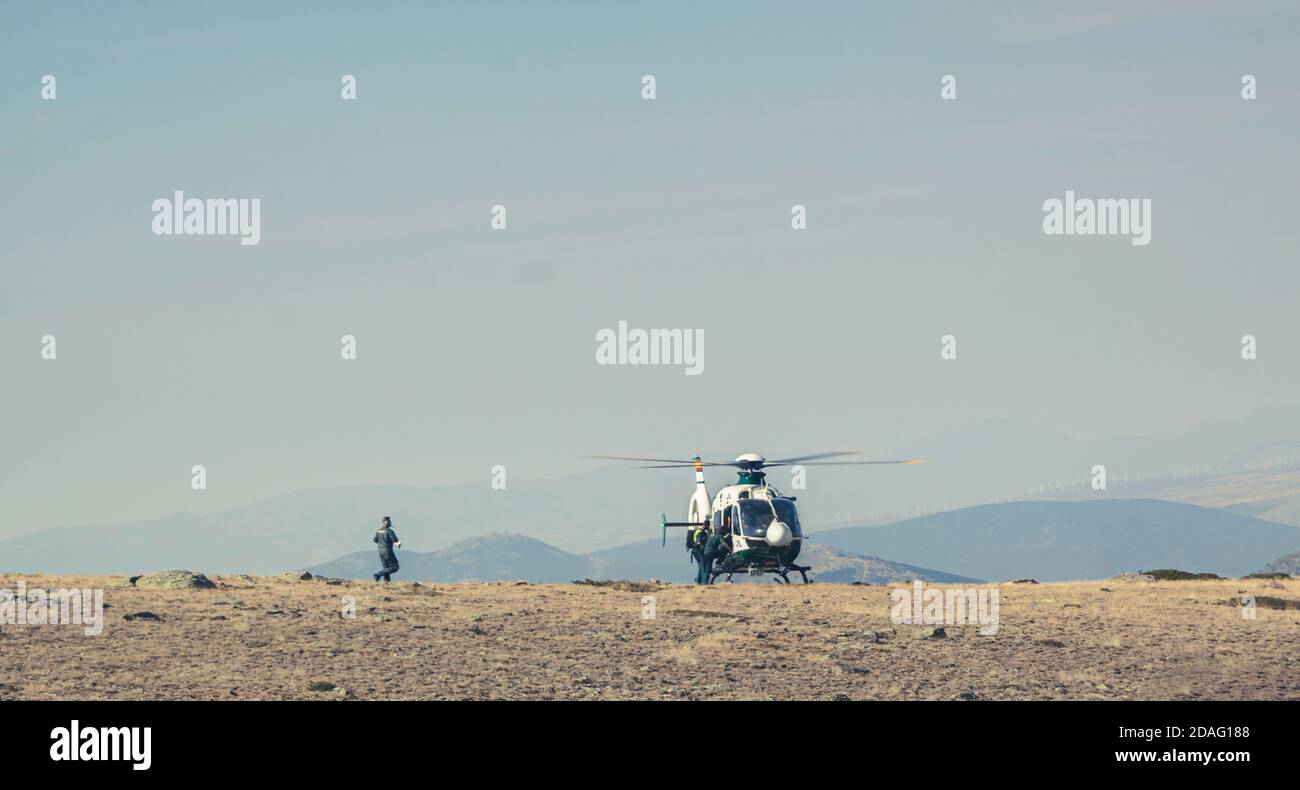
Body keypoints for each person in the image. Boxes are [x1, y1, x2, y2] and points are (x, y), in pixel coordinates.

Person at [373, 516, 401, 582]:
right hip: (387, 550)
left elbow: (375, 540)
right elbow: (395, 540)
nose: (391, 523)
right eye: (390, 521)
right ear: (386, 522)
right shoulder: (389, 531)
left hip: (380, 551)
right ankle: (378, 575)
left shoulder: (379, 531)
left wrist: (381, 542)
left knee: (386, 568)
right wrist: (399, 543)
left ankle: (386, 583)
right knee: (395, 567)